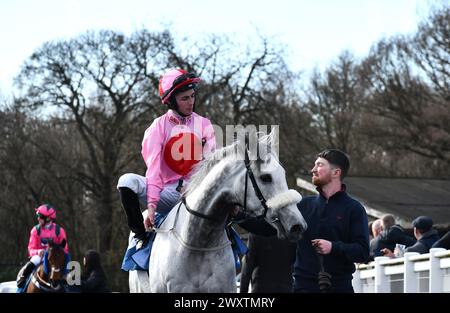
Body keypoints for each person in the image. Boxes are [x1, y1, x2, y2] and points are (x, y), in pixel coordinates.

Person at [117, 68, 216, 248]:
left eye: (192, 96)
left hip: (197, 194)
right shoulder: (157, 128)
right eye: (184, 98)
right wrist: (152, 207)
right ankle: (140, 235)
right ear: (171, 101)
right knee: (126, 181)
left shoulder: (204, 124)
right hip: (168, 195)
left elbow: (211, 166)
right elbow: (153, 172)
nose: (191, 102)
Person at [293, 149, 370, 293]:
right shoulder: (302, 206)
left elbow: (363, 252)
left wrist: (333, 247)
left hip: (339, 288)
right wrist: (239, 215)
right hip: (302, 288)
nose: (313, 170)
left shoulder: (354, 209)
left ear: (336, 173)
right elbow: (270, 229)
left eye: (320, 165)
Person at [16, 204, 69, 288]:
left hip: (55, 256)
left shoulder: (60, 231)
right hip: (39, 256)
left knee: (67, 257)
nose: (38, 218)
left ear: (48, 218)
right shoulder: (35, 230)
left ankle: (66, 278)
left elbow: (65, 248)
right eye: (38, 216)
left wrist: (58, 252)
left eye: (40, 216)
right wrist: (38, 251)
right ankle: (22, 278)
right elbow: (31, 249)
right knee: (35, 260)